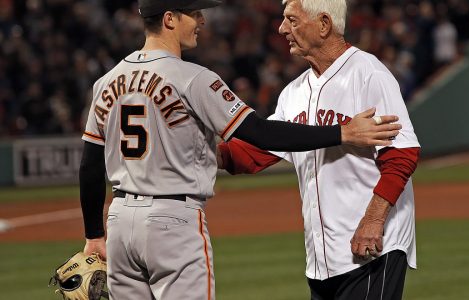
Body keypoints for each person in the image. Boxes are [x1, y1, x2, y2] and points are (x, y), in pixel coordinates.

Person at [78, 0, 402, 299]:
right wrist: (342, 132)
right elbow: (259, 133)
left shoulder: (106, 81)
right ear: (169, 19)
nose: (202, 20)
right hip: (172, 221)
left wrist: (94, 234)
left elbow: (90, 165)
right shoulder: (193, 78)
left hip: (120, 220)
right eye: (195, 12)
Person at [217, 0, 420, 299]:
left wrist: (374, 220)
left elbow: (402, 154)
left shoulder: (367, 73)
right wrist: (203, 153)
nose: (282, 28)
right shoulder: (294, 92)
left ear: (324, 24)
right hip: (323, 258)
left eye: (292, 20)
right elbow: (256, 153)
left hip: (374, 246)